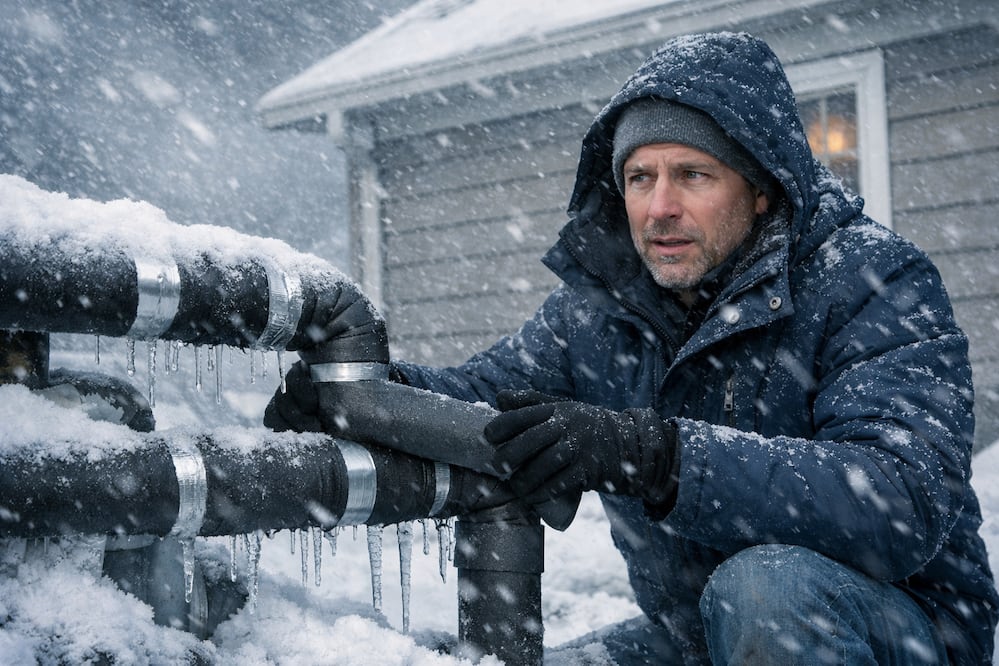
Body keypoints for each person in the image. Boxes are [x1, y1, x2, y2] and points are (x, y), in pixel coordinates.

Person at [266, 32, 998, 664]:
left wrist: (661, 457)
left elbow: (899, 501)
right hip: (694, 638)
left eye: (692, 175)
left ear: (763, 189)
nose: (659, 207)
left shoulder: (869, 279)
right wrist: (363, 393)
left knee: (768, 587)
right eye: (639, 178)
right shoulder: (599, 315)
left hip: (895, 633)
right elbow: (481, 399)